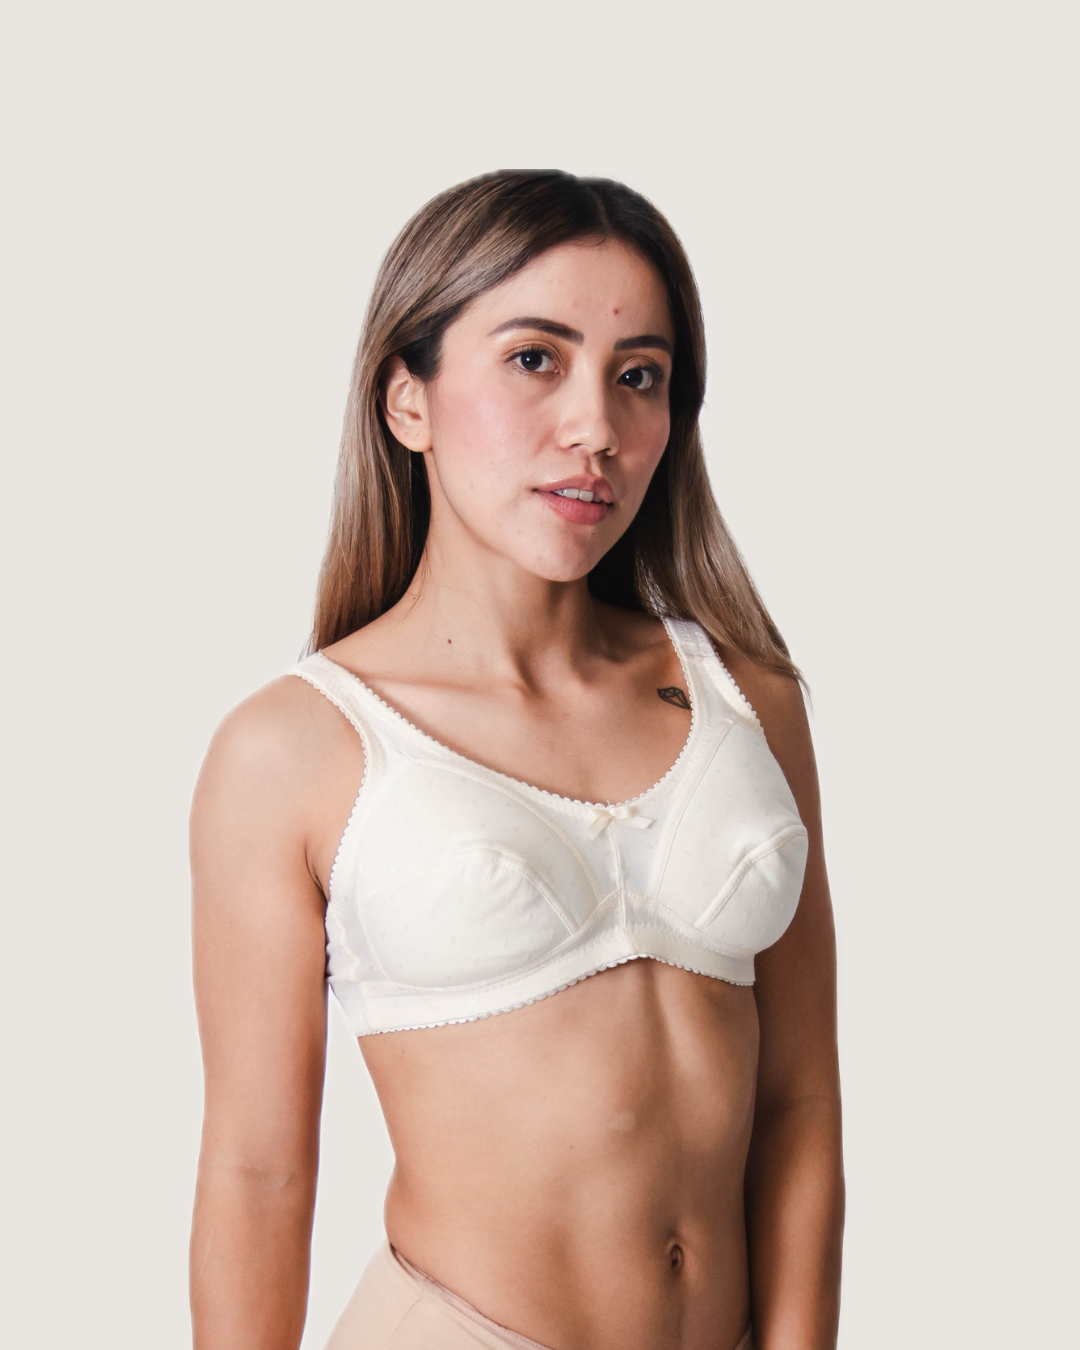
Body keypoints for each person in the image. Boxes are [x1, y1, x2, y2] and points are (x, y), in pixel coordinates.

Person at [189, 170, 844, 1350]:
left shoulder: (749, 697)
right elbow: (258, 1172)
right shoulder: (296, 749)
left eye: (638, 376)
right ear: (408, 400)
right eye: (535, 359)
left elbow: (800, 1100)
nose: (596, 427)